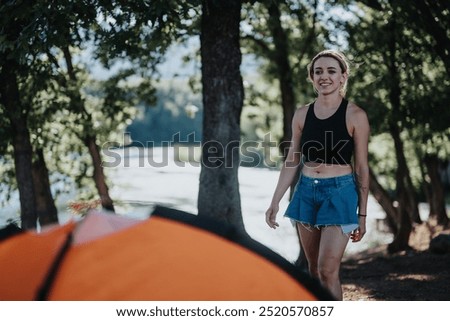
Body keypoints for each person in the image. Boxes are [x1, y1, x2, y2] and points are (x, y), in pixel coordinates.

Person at [265, 49, 370, 300]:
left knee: (327, 269)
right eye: (318, 71)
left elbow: (362, 167)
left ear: (343, 77)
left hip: (341, 192)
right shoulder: (302, 114)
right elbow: (293, 159)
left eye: (331, 71)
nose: (324, 76)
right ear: (311, 77)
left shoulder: (355, 115)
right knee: (313, 270)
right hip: (306, 192)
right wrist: (275, 200)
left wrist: (362, 215)